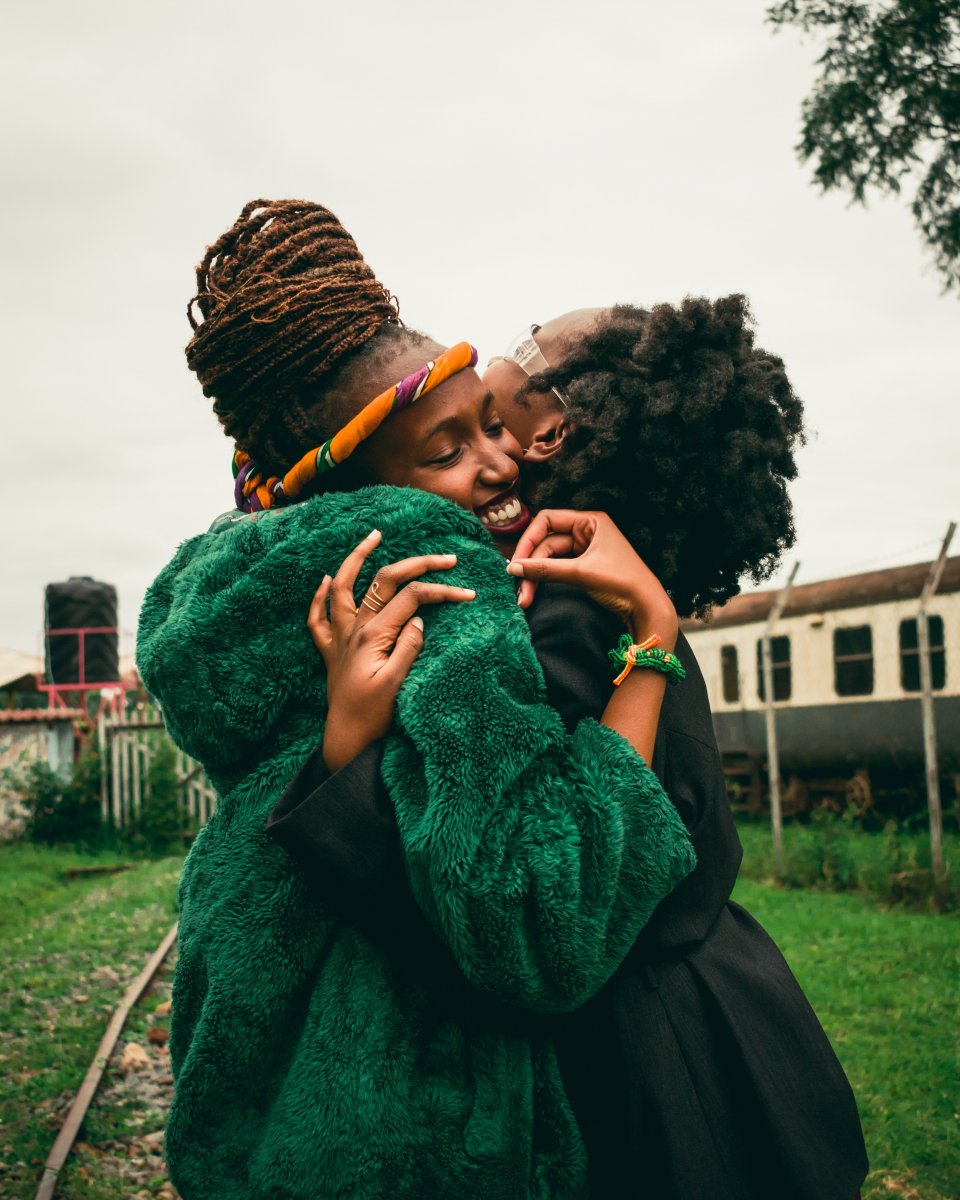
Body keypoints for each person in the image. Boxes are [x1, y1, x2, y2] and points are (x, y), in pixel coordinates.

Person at [136, 199, 697, 1200]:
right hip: (405, 1128)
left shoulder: (240, 591)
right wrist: (653, 645)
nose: (499, 461)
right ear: (354, 484)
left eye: (492, 423)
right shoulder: (432, 568)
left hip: (261, 1090)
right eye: (445, 450)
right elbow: (543, 915)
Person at [270, 302, 870, 1198]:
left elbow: (498, 904)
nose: (502, 349)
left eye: (526, 344)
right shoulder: (600, 602)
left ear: (547, 430)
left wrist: (347, 754)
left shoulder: (551, 619)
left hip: (647, 1084)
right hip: (727, 1028)